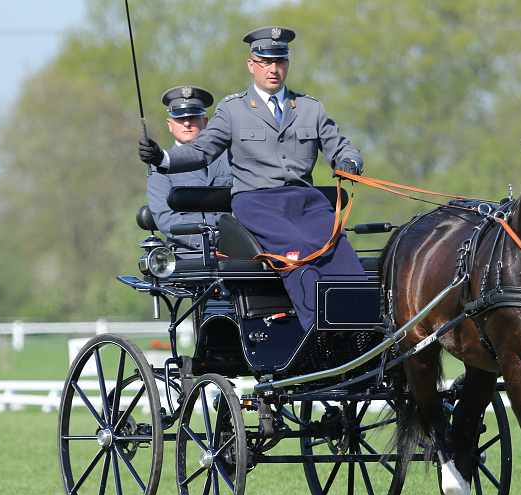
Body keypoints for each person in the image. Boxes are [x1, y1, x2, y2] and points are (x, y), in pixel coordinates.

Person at [139, 26, 365, 331]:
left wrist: (349, 161)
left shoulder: (311, 108)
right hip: (257, 202)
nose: (273, 69)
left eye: (280, 61)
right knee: (297, 249)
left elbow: (339, 145)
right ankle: (321, 330)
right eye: (265, 62)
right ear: (251, 65)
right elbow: (202, 151)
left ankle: (363, 328)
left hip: (307, 202)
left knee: (338, 249)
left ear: (287, 64)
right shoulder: (233, 110)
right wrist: (161, 158)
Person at [146, 85, 233, 251]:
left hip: (236, 251)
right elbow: (166, 218)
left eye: (193, 117)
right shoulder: (161, 164)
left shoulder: (230, 158)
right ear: (170, 125)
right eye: (179, 119)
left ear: (205, 122)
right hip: (188, 256)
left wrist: (234, 239)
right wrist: (208, 240)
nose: (186, 123)